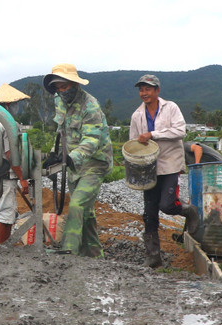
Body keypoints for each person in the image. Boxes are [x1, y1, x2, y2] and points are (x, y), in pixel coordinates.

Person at [129, 74, 200, 267]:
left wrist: (153, 134)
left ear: (157, 90)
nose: (144, 93)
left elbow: (180, 131)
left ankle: (188, 210)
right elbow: (134, 142)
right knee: (149, 213)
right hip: (149, 168)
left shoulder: (171, 108)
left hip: (169, 164)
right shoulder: (137, 115)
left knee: (167, 205)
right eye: (141, 90)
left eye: (148, 89)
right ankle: (153, 257)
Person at [42, 63, 112, 257]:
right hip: (72, 164)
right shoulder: (59, 101)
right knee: (86, 213)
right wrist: (54, 155)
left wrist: (72, 158)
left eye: (65, 86)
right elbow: (61, 130)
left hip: (94, 163)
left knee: (77, 204)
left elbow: (91, 139)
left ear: (74, 84)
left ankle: (69, 251)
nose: (61, 91)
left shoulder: (90, 106)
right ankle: (95, 255)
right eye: (58, 87)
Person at [0, 84, 31, 245]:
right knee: (6, 213)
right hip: (6, 175)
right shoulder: (7, 123)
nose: (16, 107)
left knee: (0, 210)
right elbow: (11, 155)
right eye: (15, 104)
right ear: (7, 105)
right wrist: (22, 178)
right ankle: (2, 247)